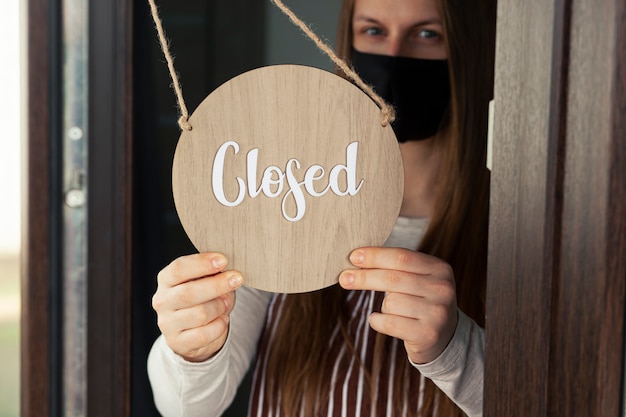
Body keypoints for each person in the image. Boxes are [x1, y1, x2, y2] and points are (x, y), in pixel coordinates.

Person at [147, 0, 496, 415]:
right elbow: (188, 408)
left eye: (427, 34)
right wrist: (189, 347)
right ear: (347, 41)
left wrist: (455, 348)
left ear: (468, 48)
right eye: (373, 31)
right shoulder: (282, 200)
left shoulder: (514, 224)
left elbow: (541, 399)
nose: (395, 53)